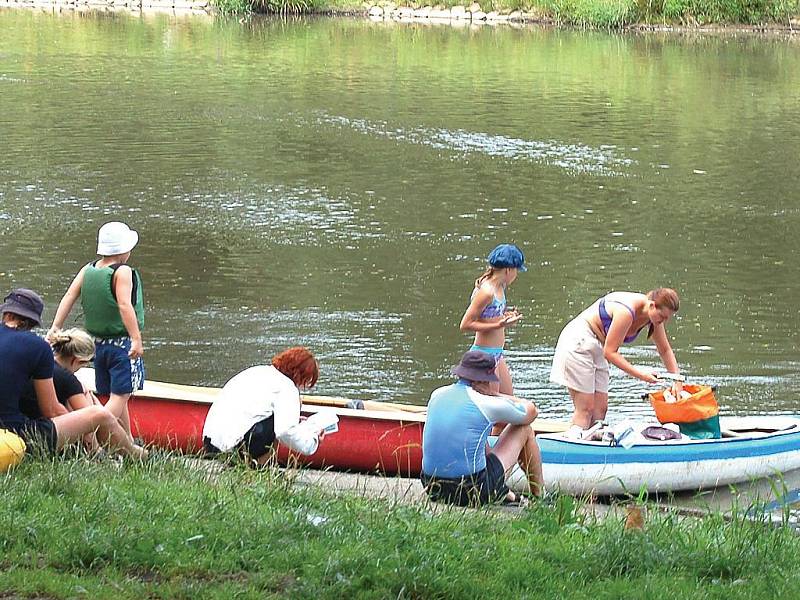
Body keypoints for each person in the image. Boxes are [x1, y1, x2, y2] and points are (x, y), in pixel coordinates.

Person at [0, 288, 146, 459]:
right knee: (99, 415)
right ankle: (139, 456)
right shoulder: (38, 347)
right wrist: (79, 428)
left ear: (7, 315)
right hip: (14, 435)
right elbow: (51, 410)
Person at [48, 221, 144, 438]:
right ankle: (89, 432)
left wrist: (55, 327)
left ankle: (127, 441)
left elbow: (70, 296)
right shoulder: (123, 271)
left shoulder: (88, 269)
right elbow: (124, 305)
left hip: (98, 346)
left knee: (116, 394)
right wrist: (136, 339)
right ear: (124, 249)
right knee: (120, 396)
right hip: (122, 346)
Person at [420, 350, 543, 507]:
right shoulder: (484, 402)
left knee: (476, 433)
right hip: (470, 491)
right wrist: (495, 395)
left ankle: (504, 493)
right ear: (484, 381)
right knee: (524, 429)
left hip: (432, 488)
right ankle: (539, 495)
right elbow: (531, 412)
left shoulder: (437, 394)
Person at [550, 288, 682, 431]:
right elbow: (610, 352)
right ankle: (573, 445)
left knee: (600, 409)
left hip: (598, 345)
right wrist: (642, 375)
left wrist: (677, 379)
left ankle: (595, 448)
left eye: (667, 318)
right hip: (579, 340)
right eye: (662, 316)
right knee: (586, 408)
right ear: (652, 305)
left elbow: (665, 350)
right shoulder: (626, 311)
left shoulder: (653, 319)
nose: (663, 321)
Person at [202, 347, 324, 466]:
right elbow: (285, 432)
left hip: (210, 444)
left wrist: (296, 421)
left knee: (279, 419)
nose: (301, 386)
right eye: (305, 381)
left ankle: (256, 463)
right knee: (280, 424)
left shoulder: (258, 371)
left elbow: (252, 411)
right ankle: (261, 465)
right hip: (233, 448)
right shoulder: (287, 388)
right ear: (299, 375)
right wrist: (313, 440)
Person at [459, 243, 526, 398]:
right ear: (508, 270)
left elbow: (489, 315)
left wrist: (506, 317)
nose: (516, 275)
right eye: (516, 271)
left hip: (497, 353)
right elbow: (465, 324)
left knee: (510, 401)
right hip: (484, 355)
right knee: (493, 406)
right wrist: (499, 324)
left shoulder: (500, 287)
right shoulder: (487, 292)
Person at [19, 328, 100, 452]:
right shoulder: (68, 379)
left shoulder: (37, 364)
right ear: (77, 361)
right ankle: (96, 451)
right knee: (87, 397)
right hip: (45, 437)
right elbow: (89, 420)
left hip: (19, 429)